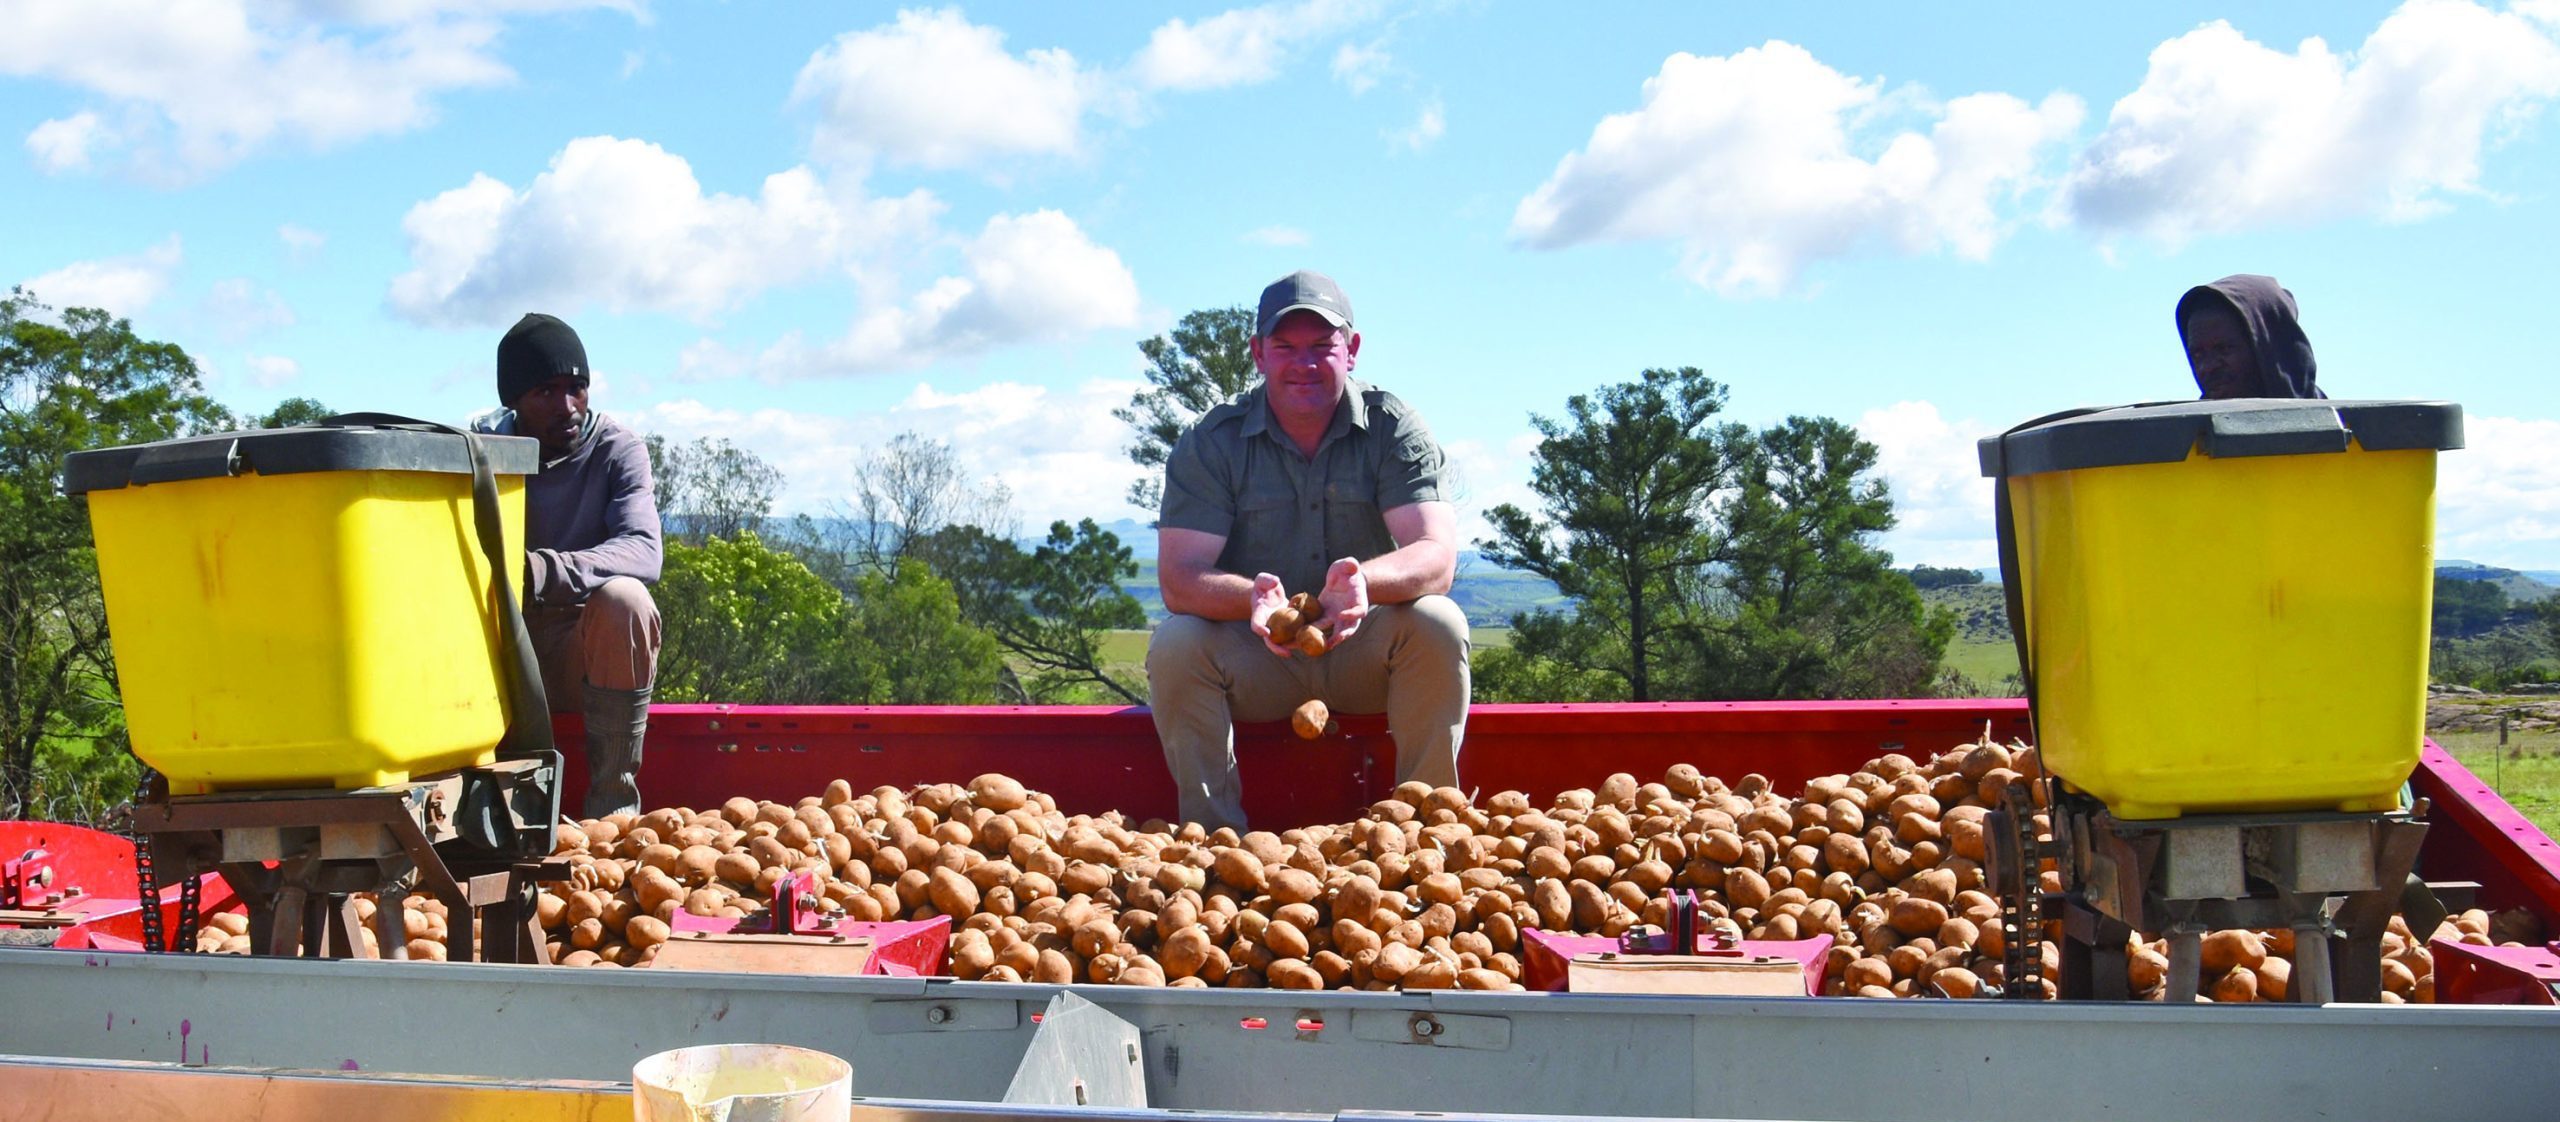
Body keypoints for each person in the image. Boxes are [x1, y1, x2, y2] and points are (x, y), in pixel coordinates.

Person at [1146, 270, 1470, 831]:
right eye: (1285, 347)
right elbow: (1180, 579)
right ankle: (1214, 844)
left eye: (1323, 346)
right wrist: (1254, 601)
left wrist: (1364, 585)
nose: (1305, 363)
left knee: (1438, 620)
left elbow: (1435, 555)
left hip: (1364, 656)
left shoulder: (1393, 427)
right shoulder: (1212, 441)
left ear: (1353, 350)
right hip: (1257, 661)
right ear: (1257, 354)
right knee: (1177, 641)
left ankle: (1425, 835)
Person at [470, 313, 663, 818]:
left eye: (577, 387)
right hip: (500, 651)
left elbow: (643, 549)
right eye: (546, 391)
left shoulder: (617, 450)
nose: (567, 406)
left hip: (582, 650)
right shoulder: (478, 452)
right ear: (514, 398)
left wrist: (539, 571)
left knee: (626, 599)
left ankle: (613, 805)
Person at [2177, 274, 2323, 399]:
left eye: (2224, 349)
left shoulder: (2339, 426)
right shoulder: (2185, 430)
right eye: (2197, 355)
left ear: (2269, 347)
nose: (2207, 367)